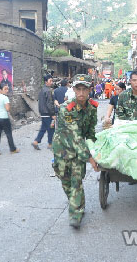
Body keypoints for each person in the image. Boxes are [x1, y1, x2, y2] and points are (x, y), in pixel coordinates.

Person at [52, 74, 100, 229]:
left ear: (89, 90)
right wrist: (90, 158)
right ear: (73, 89)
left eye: (84, 89)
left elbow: (90, 133)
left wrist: (96, 150)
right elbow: (75, 136)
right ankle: (77, 204)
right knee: (65, 181)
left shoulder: (92, 108)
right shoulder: (66, 109)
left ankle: (76, 214)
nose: (81, 93)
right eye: (78, 89)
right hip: (62, 150)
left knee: (76, 182)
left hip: (79, 154)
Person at [32, 75, 56, 150]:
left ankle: (36, 141)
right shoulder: (48, 91)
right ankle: (50, 143)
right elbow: (49, 103)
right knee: (51, 128)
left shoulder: (42, 90)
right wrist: (52, 114)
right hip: (47, 113)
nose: (51, 82)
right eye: (50, 81)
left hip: (43, 112)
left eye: (52, 81)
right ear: (46, 82)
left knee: (44, 128)